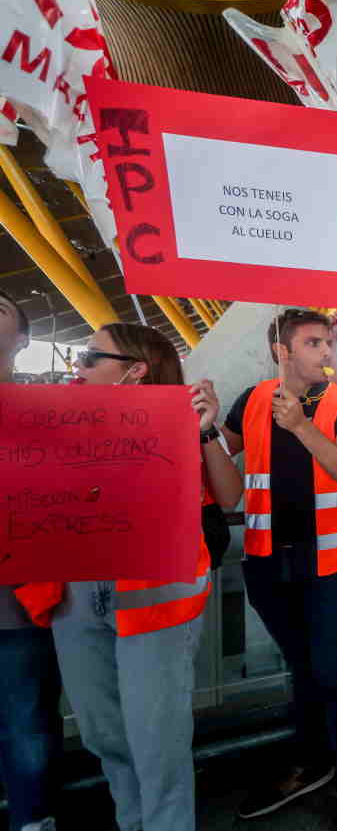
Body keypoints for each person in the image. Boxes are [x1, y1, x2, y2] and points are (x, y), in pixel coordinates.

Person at [22, 323, 240, 831]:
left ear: (135, 371)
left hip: (156, 592)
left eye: (91, 357)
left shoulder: (178, 418)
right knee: (103, 733)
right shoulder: (52, 417)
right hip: (76, 594)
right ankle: (134, 821)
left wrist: (206, 428)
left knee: (157, 738)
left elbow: (229, 498)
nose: (79, 365)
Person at [221, 309, 337, 831]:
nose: (326, 351)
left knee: (333, 672)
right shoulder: (252, 400)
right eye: (313, 343)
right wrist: (203, 435)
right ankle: (313, 761)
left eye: (328, 342)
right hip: (267, 563)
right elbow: (226, 487)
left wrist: (302, 426)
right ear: (281, 350)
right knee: (304, 669)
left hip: (330, 564)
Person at [0, 289, 61, 831]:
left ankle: (33, 819)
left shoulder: (51, 416)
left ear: (22, 340)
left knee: (27, 723)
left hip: (19, 603)